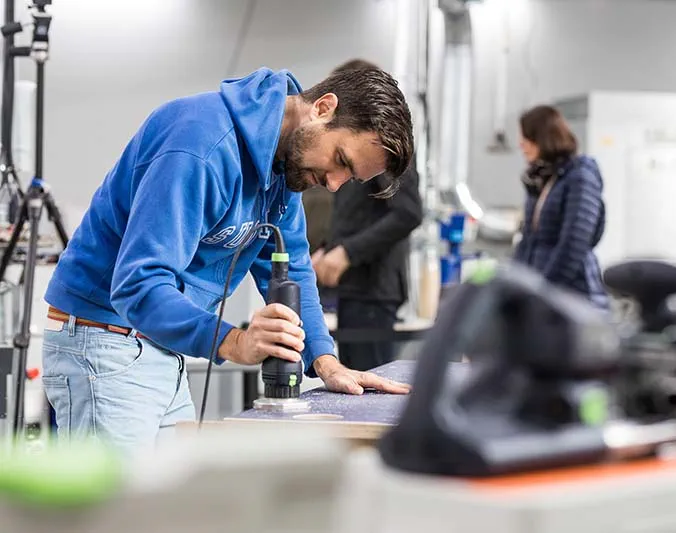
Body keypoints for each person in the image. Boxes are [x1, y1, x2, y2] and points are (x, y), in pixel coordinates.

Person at [41, 65, 414, 453]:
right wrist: (234, 342)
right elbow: (138, 284)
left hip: (158, 347)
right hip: (104, 341)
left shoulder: (285, 164)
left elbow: (291, 264)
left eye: (349, 179)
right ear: (323, 108)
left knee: (170, 506)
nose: (334, 183)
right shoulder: (201, 144)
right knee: (119, 512)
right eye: (341, 160)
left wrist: (324, 359)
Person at [312, 59, 423, 372]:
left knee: (368, 396)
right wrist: (327, 250)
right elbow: (355, 215)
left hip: (373, 295)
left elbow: (408, 213)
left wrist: (347, 253)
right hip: (355, 292)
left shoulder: (378, 144)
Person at [513, 105, 609, 309]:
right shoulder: (542, 181)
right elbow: (528, 241)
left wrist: (542, 291)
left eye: (527, 138)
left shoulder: (581, 176)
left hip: (575, 298)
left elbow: (573, 244)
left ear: (543, 138)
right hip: (543, 297)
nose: (521, 144)